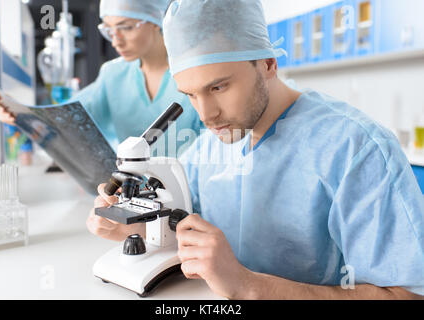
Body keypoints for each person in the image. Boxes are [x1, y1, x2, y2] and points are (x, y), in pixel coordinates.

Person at [88, 0, 424, 299]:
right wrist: (130, 227)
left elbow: (406, 293)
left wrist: (248, 287)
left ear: (267, 64)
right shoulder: (208, 150)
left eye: (218, 86)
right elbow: (182, 227)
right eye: (190, 95)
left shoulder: (356, 150)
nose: (206, 115)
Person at [0, 0, 202, 156]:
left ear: (156, 20)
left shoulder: (195, 71)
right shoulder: (113, 75)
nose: (115, 41)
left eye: (125, 27)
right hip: (134, 193)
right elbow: (68, 118)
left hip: (189, 194)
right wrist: (20, 115)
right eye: (109, 30)